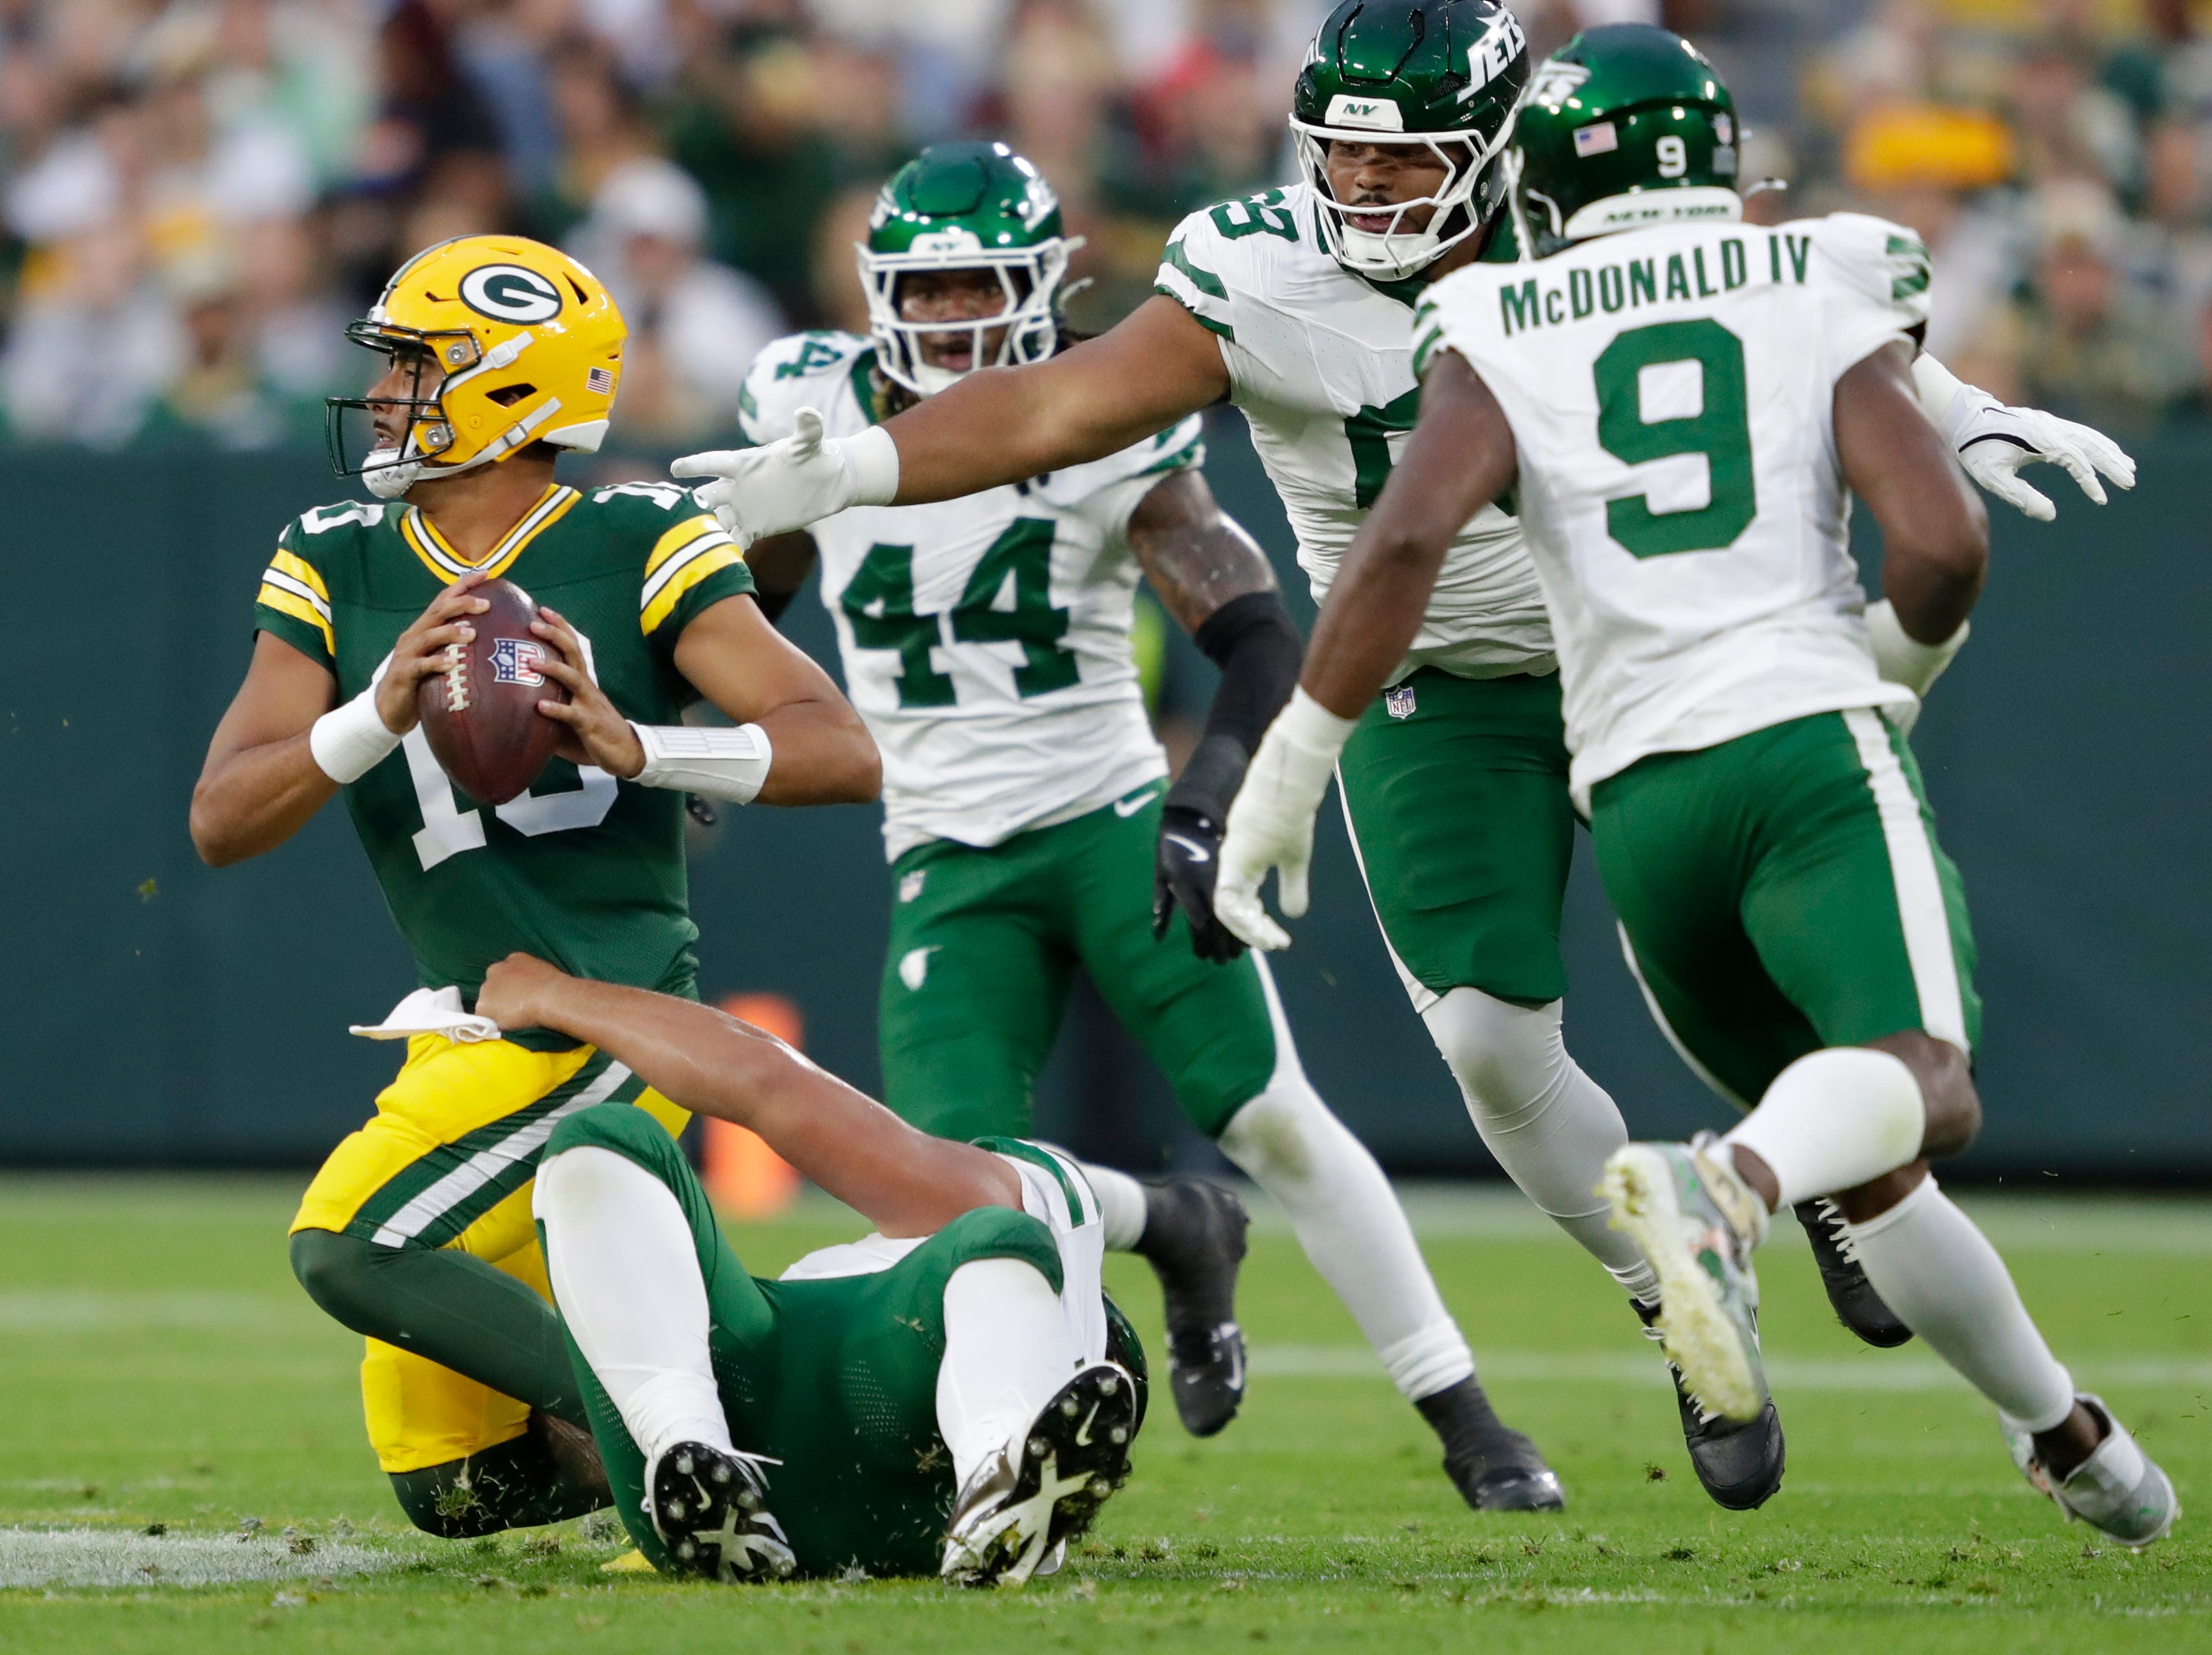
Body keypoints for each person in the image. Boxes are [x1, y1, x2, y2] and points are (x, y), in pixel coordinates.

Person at [665, 0, 2131, 1511]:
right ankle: (1679, 1295)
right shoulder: (1254, 270)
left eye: (1408, 160)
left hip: (1630, 645)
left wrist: (1958, 409)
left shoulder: (1578, 234)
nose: (1366, 192)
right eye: (1344, 160)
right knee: (1494, 1042)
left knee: (1756, 963)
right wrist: (845, 463)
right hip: (1426, 677)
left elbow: (1768, 301)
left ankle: (1794, 1170)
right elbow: (1053, 400)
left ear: (1503, 150)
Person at [1213, 25, 2175, 1548]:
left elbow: (1397, 541)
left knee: (1873, 1160)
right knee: (1917, 1083)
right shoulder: (1817, 267)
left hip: (1633, 771)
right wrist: (1899, 671)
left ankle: (2070, 1439)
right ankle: (1728, 1184)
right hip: (1787, 731)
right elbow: (1936, 547)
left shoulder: (1490, 315)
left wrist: (1286, 758)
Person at [716, 139, 1561, 1512]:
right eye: (920, 295)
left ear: (1043, 290)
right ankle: (1130, 1281)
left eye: (975, 288)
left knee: (1274, 1116)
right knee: (948, 1192)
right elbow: (738, 612)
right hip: (941, 854)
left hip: (1104, 815)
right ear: (875, 295)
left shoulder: (1106, 423)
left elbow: (1257, 637)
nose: (944, 321)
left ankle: (1466, 1416)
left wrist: (1202, 804)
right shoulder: (808, 406)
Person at [188, 233, 880, 1538]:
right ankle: (777, 1421)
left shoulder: (632, 536)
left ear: (511, 385)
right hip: (462, 1023)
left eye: (415, 365)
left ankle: (703, 1443)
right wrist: (373, 713)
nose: (386, 393)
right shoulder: (336, 553)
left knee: (348, 1241)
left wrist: (643, 743)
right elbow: (222, 817)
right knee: (459, 1484)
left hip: (605, 1014)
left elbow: (842, 750)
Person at [473, 950, 1144, 1586]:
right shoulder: (978, 1261)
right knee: (994, 1246)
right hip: (917, 1509)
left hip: (740, 1440)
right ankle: (997, 1477)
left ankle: (693, 1449)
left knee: (602, 1141)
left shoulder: (1014, 1204)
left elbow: (766, 1081)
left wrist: (553, 994)